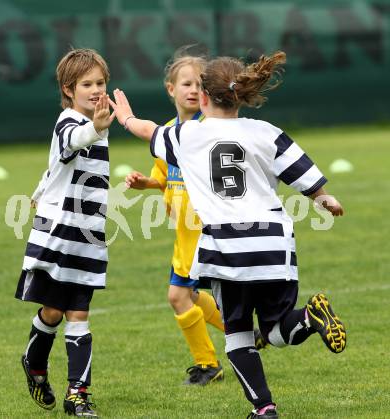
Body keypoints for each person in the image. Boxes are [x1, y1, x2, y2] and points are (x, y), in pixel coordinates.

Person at [109, 51, 347, 418]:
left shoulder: (189, 134)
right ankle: (309, 318)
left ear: (203, 97)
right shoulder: (266, 132)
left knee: (238, 336)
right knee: (275, 330)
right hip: (273, 245)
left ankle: (263, 408)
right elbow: (302, 171)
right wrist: (323, 198)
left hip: (227, 249)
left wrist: (125, 118)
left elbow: (149, 131)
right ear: (241, 95)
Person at [15, 48, 115, 418]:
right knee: (54, 310)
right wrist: (97, 127)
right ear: (68, 89)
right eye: (86, 84)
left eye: (100, 82)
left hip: (88, 235)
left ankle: (78, 395)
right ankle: (34, 361)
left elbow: (58, 167)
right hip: (58, 234)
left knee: (78, 313)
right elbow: (71, 143)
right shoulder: (70, 121)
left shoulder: (97, 125)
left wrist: (40, 190)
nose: (94, 89)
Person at [125, 51, 226, 385]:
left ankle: (210, 362)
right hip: (185, 235)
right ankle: (243, 339)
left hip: (208, 233)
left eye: (200, 84)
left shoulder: (208, 131)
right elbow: (166, 177)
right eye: (186, 84)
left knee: (179, 295)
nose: (193, 90)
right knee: (185, 296)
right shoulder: (166, 132)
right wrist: (148, 183)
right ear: (171, 89)